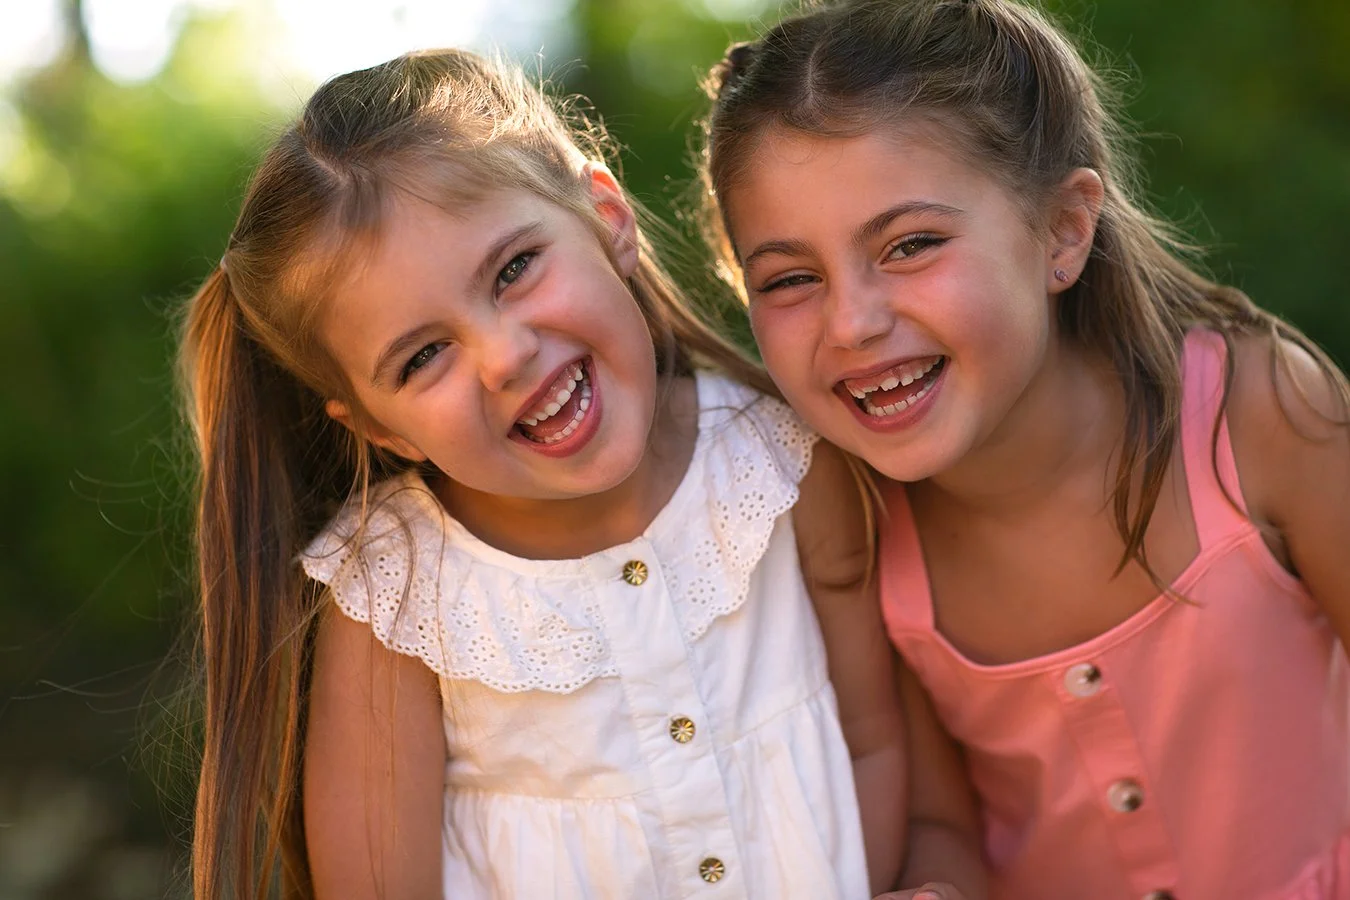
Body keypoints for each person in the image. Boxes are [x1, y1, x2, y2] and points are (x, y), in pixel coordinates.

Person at [175, 46, 969, 900]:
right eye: (424, 356)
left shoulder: (779, 468)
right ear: (379, 427)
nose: (506, 355)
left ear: (605, 218)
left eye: (514, 270)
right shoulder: (396, 596)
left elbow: (875, 743)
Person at [698, 0, 1350, 897]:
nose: (852, 322)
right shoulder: (851, 527)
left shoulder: (1257, 413)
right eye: (791, 279)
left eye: (911, 244)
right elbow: (941, 826)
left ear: (1063, 230)